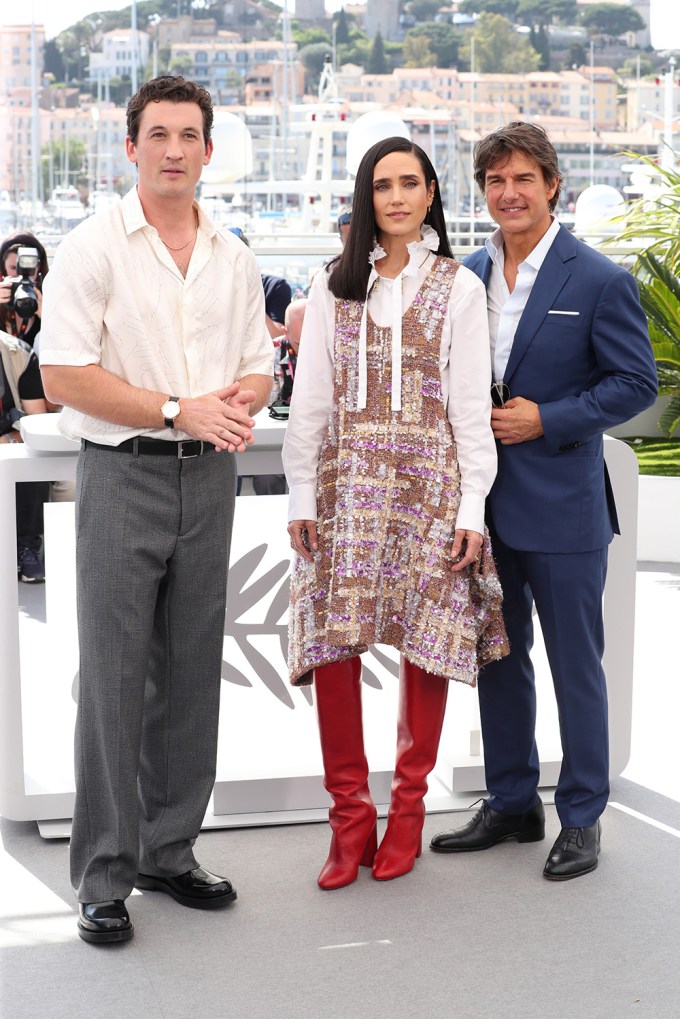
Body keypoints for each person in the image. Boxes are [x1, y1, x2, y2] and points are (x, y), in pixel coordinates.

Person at [39, 75, 273, 943]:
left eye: (189, 135)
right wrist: (181, 407)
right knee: (111, 676)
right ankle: (103, 873)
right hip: (123, 473)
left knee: (188, 673)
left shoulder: (234, 253)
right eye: (158, 134)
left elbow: (260, 365)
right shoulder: (93, 245)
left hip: (209, 478)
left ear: (209, 151)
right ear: (130, 146)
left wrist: (236, 398)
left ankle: (168, 850)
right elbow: (62, 374)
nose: (174, 149)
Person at [430, 122, 658, 879]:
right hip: (484, 507)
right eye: (495, 181)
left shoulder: (598, 279)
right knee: (498, 659)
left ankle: (584, 814)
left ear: (552, 183)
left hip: (563, 506)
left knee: (575, 666)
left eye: (523, 178)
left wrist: (546, 418)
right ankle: (512, 800)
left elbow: (635, 384)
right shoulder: (464, 275)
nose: (509, 193)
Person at [283, 136, 509, 889]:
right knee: (335, 647)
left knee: (425, 647)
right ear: (365, 196)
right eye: (383, 185)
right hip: (343, 489)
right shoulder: (331, 285)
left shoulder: (459, 286)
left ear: (432, 191)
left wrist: (472, 508)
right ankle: (349, 821)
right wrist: (300, 496)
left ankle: (407, 812)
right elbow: (310, 404)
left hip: (429, 492)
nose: (398, 197)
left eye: (411, 183)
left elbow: (471, 412)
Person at [1, 232, 52, 581]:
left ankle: (27, 546)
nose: (20, 283)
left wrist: (48, 316)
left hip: (28, 408)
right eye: (11, 273)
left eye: (27, 275)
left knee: (29, 449)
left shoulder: (50, 307)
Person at [253, 298, 308, 496]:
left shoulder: (333, 352)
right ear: (285, 332)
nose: (308, 350)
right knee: (266, 476)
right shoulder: (268, 355)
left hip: (313, 440)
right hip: (276, 439)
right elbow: (263, 404)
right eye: (300, 343)